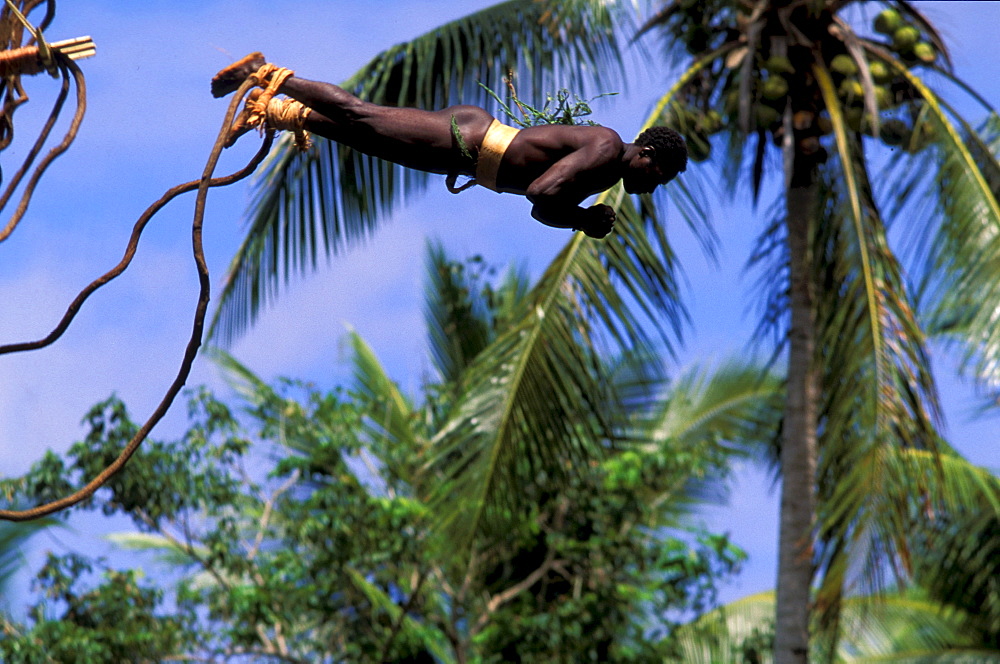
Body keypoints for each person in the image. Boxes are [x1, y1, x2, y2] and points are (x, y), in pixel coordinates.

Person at [211, 53, 687, 239]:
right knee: (361, 115)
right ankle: (268, 75)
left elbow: (540, 209)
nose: (652, 187)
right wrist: (582, 218)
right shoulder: (605, 150)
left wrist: (579, 217)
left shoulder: (604, 171)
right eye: (658, 177)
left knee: (362, 135)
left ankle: (270, 111)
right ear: (646, 155)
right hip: (468, 140)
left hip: (466, 157)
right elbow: (542, 193)